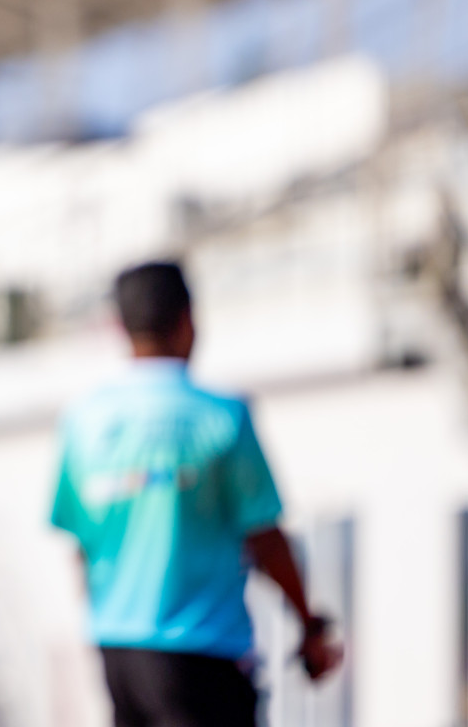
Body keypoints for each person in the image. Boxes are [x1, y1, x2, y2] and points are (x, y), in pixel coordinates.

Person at [50, 261, 343, 727]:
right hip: (204, 652)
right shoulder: (222, 417)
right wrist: (308, 625)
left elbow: (81, 547)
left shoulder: (84, 422)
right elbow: (265, 537)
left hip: (119, 656)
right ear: (188, 320)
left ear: (120, 327)